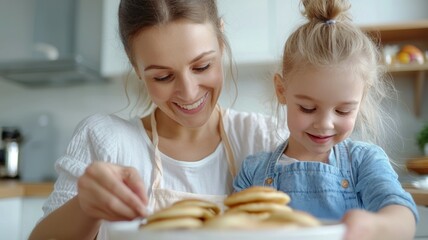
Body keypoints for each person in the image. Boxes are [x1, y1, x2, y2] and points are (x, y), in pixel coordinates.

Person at [29, 0, 288, 239]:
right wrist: (85, 207)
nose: (188, 92)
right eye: (163, 77)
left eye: (202, 66)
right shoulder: (106, 141)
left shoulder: (264, 139)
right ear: (136, 69)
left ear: (221, 41)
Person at [233, 0, 419, 239]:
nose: (324, 124)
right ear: (281, 91)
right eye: (308, 108)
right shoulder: (253, 171)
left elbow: (403, 218)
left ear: (361, 101)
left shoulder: (364, 163)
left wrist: (376, 226)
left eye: (342, 111)